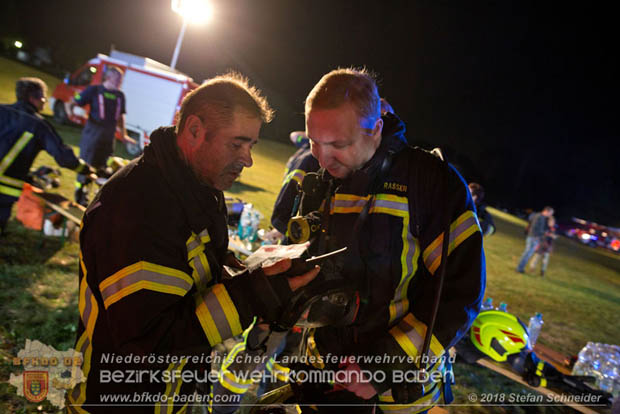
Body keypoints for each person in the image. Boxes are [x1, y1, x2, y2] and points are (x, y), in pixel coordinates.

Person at [66, 73, 320, 413]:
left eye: (251, 146)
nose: (248, 159)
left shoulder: (195, 188)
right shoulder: (139, 207)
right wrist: (254, 293)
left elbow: (184, 267)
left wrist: (236, 270)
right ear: (195, 130)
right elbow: (149, 341)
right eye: (236, 144)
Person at [275, 68, 485, 412]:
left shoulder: (430, 182)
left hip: (395, 392)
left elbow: (458, 291)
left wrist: (381, 367)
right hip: (321, 374)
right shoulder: (320, 178)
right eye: (314, 141)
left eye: (338, 144)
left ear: (375, 128)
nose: (322, 157)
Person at [0, 77, 94, 235]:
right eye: (43, 97)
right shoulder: (39, 125)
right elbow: (63, 157)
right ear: (33, 98)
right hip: (3, 191)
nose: (44, 103)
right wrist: (85, 169)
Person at [70, 66, 134, 206]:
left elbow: (121, 116)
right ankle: (80, 196)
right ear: (109, 77)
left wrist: (124, 134)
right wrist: (72, 112)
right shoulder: (94, 90)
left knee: (103, 168)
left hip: (108, 138)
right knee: (86, 166)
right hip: (92, 137)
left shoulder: (120, 96)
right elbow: (75, 102)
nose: (120, 81)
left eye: (121, 79)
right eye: (118, 78)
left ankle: (96, 199)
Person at [517, 206, 554, 273]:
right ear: (547, 211)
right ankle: (519, 268)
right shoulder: (539, 216)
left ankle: (520, 268)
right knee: (527, 253)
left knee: (527, 253)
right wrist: (543, 233)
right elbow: (534, 227)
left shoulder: (540, 216)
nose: (550, 215)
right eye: (550, 213)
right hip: (534, 238)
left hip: (534, 237)